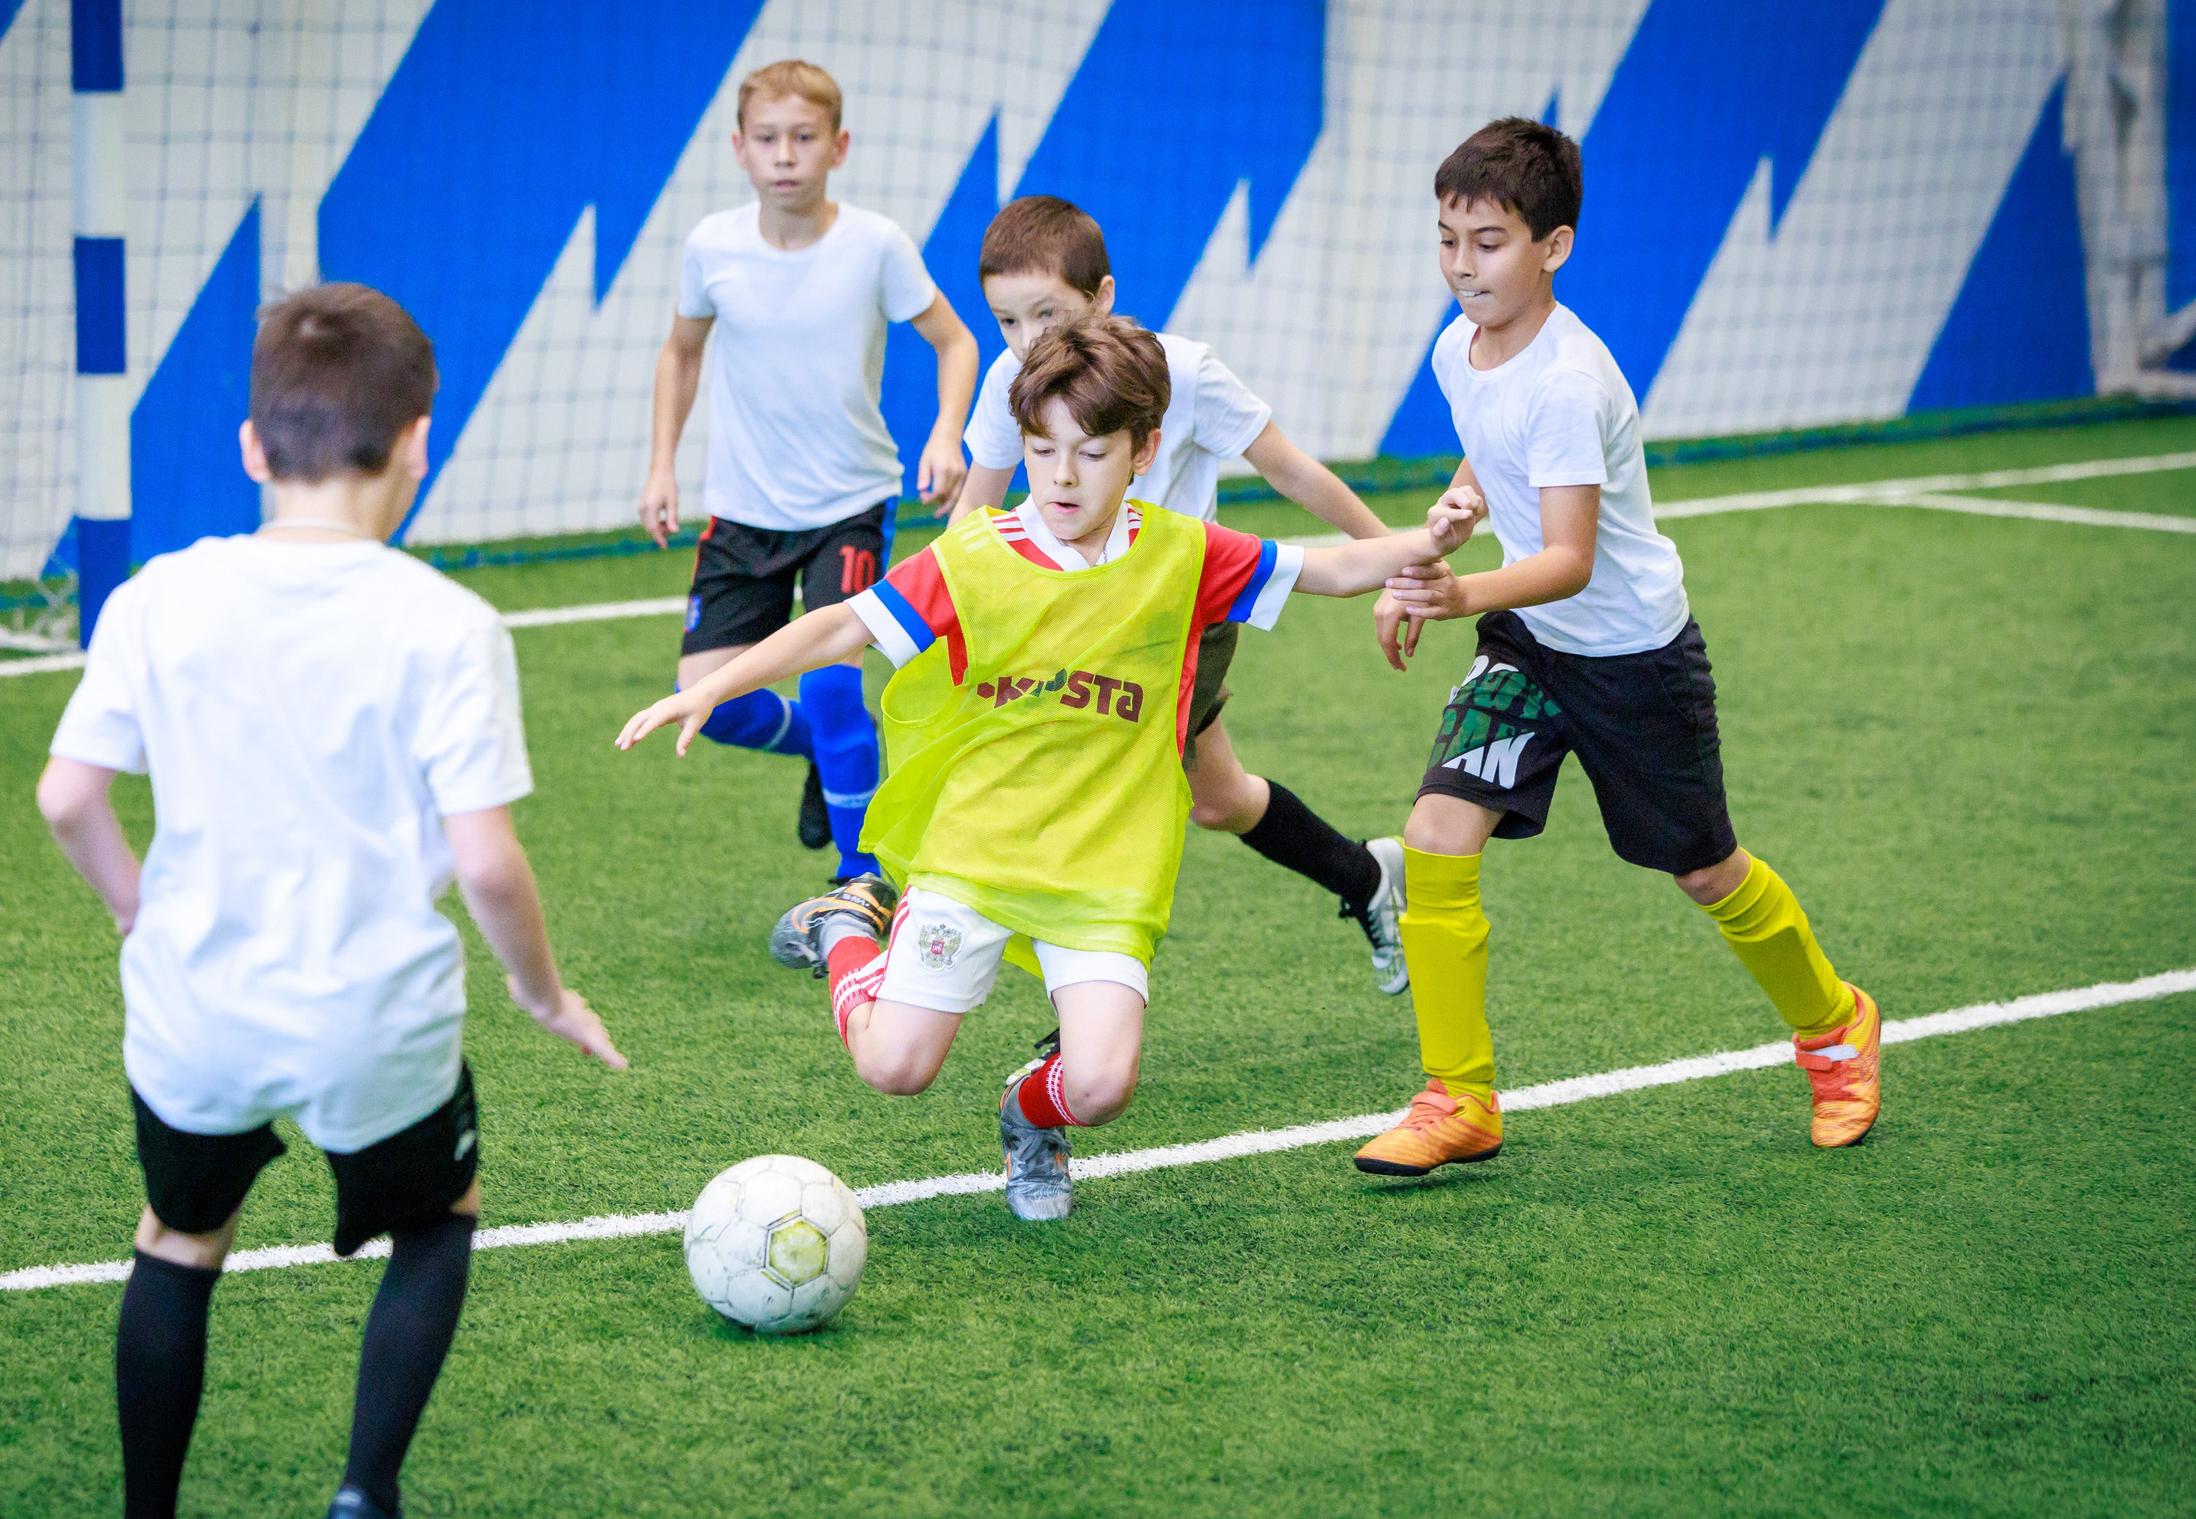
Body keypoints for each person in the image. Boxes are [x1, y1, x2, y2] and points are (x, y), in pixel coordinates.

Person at [38, 283, 624, 1519]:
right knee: (440, 1219)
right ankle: (365, 1502)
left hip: (196, 1006)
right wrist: (544, 994)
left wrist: (138, 911)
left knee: (181, 1235)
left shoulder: (158, 597)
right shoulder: (445, 624)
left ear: (251, 447)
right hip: (374, 1017)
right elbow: (483, 860)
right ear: (418, 442)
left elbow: (67, 797)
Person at [620, 315, 1477, 1221]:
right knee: (894, 1067)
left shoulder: (1185, 554)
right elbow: (840, 624)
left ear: (1144, 451)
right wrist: (711, 687)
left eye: (1092, 451)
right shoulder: (978, 555)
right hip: (978, 856)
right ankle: (845, 929)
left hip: (1107, 871)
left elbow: (1335, 570)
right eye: (1042, 449)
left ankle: (1027, 1114)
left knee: (1103, 1085)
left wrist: (1430, 539)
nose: (1063, 475)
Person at [1354, 118, 1880, 1179]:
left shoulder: (1569, 378)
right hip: (1531, 644)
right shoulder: (1457, 347)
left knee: (1703, 870)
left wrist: (1449, 591)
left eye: (1488, 241)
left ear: (1552, 247)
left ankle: (1835, 1028)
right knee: (1436, 829)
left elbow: (1569, 559)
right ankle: (1459, 1097)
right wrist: (1456, 505)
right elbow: (1487, 447)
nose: (1462, 265)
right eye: (1447, 238)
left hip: (1631, 655)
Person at [954, 196, 1426, 993]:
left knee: (1100, 796)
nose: (1028, 340)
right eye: (1007, 321)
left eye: (1047, 314)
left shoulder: (1185, 371)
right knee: (1221, 799)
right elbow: (975, 512)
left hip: (1182, 621)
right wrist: (931, 615)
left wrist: (1393, 555)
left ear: (1101, 298)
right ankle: (1370, 879)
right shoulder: (1014, 377)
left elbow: (1292, 470)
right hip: (1069, 618)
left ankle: (1080, 1030)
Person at [640, 58, 978, 884]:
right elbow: (681, 354)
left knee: (834, 685)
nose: (785, 154)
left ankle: (861, 886)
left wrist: (946, 434)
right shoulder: (711, 247)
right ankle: (832, 755)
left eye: (803, 137)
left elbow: (957, 341)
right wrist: (661, 467)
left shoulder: (877, 245)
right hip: (742, 509)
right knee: (711, 703)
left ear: (838, 146)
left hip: (849, 505)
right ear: (739, 149)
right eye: (767, 139)